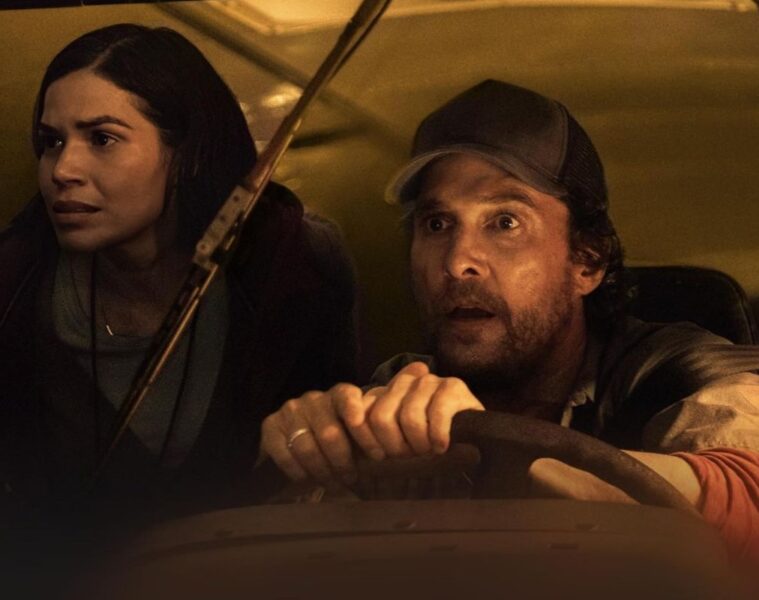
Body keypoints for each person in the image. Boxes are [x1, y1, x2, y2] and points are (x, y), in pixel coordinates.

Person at [259, 80, 759, 561]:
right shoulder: (396, 392)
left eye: (505, 222)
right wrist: (311, 458)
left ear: (587, 261)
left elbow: (746, 488)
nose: (458, 261)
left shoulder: (680, 370)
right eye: (437, 224)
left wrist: (493, 445)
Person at [0, 24, 356, 520]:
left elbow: (342, 463)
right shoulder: (15, 283)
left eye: (102, 138)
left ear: (185, 153)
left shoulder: (292, 263)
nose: (62, 170)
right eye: (52, 141)